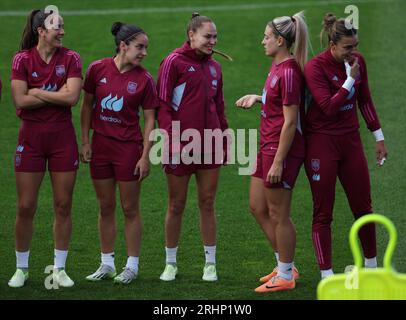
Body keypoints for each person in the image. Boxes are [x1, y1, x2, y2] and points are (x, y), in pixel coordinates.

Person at [304, 13, 388, 279]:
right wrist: (350, 78)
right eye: (348, 48)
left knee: (363, 206)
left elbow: (365, 100)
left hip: (351, 143)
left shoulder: (357, 61)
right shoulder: (315, 68)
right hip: (322, 144)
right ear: (333, 45)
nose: (354, 52)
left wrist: (379, 137)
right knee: (323, 212)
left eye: (356, 46)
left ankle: (372, 267)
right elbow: (328, 107)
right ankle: (326, 276)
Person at [8, 9, 82, 288]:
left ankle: (59, 270)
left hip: (63, 139)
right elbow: (20, 100)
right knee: (26, 206)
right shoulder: (22, 59)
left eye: (63, 27)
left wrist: (37, 91)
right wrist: (55, 96)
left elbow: (72, 97)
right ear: (41, 31)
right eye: (57, 27)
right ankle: (21, 268)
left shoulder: (72, 58)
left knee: (63, 205)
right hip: (31, 139)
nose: (62, 32)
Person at [236, 12, 308, 292]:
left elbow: (291, 122)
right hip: (267, 145)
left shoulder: (289, 72)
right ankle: (284, 264)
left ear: (280, 40)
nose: (262, 41)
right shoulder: (278, 67)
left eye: (266, 37)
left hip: (281, 150)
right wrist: (259, 97)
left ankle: (287, 275)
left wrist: (278, 162)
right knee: (257, 206)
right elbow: (280, 104)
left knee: (279, 213)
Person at [81, 22, 158, 284]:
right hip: (101, 148)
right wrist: (85, 141)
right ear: (123, 46)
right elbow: (87, 106)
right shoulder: (96, 69)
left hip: (128, 149)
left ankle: (132, 266)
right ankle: (106, 264)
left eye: (146, 48)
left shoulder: (145, 79)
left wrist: (145, 155)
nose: (144, 53)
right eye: (140, 47)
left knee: (130, 209)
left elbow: (150, 120)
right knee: (105, 207)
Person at [156, 13, 228, 282]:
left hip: (209, 144)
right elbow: (162, 105)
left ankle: (210, 264)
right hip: (180, 145)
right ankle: (170, 263)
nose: (213, 41)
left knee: (207, 203)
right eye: (208, 36)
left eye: (215, 37)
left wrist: (225, 138)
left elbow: (218, 107)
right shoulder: (173, 63)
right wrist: (171, 140)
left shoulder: (214, 68)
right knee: (176, 204)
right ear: (191, 35)